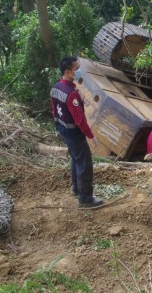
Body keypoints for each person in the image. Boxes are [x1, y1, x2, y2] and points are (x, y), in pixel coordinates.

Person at [51, 56, 103, 208]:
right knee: (84, 163)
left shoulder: (56, 87)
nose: (79, 71)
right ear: (68, 72)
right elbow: (80, 120)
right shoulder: (71, 94)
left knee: (75, 158)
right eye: (77, 69)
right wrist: (91, 136)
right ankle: (85, 198)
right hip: (74, 134)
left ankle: (76, 187)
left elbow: (54, 110)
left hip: (64, 131)